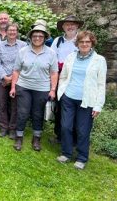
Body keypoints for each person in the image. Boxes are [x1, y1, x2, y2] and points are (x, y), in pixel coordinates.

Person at [56, 31, 107, 170]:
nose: (84, 44)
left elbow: (101, 84)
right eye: (82, 42)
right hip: (69, 98)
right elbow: (63, 76)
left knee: (82, 130)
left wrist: (98, 105)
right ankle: (66, 153)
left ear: (92, 44)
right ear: (77, 43)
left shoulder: (99, 60)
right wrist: (63, 91)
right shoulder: (71, 57)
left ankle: (82, 157)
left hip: (87, 101)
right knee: (66, 127)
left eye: (87, 42)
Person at [9, 23, 58, 151]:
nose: (37, 38)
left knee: (37, 114)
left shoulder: (51, 53)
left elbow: (54, 73)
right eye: (35, 35)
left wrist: (53, 90)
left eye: (40, 35)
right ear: (31, 37)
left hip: (42, 88)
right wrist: (13, 87)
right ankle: (19, 137)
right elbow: (16, 70)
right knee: (22, 113)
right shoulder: (23, 51)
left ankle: (36, 138)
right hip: (24, 86)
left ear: (45, 37)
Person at [50, 15, 83, 144]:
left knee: (75, 109)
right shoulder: (58, 41)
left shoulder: (82, 40)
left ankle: (74, 139)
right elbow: (51, 59)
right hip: (59, 78)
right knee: (59, 108)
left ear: (77, 26)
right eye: (67, 24)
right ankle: (59, 136)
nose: (70, 26)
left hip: (75, 80)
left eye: (72, 24)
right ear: (63, 27)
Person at [0, 23, 27, 139]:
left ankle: (13, 128)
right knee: (1, 105)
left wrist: (12, 78)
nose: (12, 32)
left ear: (17, 32)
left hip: (17, 80)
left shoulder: (23, 45)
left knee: (15, 106)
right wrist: (4, 77)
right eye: (10, 30)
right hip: (1, 80)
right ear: (6, 32)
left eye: (14, 30)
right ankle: (3, 127)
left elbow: (24, 63)